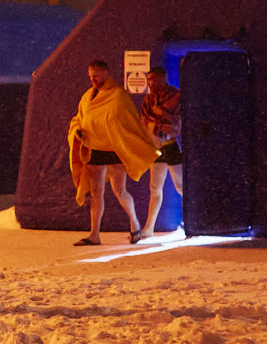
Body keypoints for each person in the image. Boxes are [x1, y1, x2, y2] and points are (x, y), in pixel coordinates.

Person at [67, 59, 159, 246]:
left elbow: (126, 122)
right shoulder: (87, 96)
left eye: (97, 77)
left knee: (119, 191)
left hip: (113, 150)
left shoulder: (118, 95)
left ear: (106, 74)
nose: (94, 80)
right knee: (96, 192)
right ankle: (94, 234)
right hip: (94, 149)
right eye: (91, 77)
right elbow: (80, 118)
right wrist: (78, 130)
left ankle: (134, 224)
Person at [139, 66, 184, 240]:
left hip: (172, 145)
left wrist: (164, 115)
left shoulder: (176, 96)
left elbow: (179, 122)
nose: (151, 84)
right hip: (155, 146)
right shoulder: (148, 99)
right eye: (149, 80)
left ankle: (191, 222)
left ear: (163, 79)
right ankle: (149, 227)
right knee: (155, 187)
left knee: (180, 186)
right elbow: (142, 122)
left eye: (154, 80)